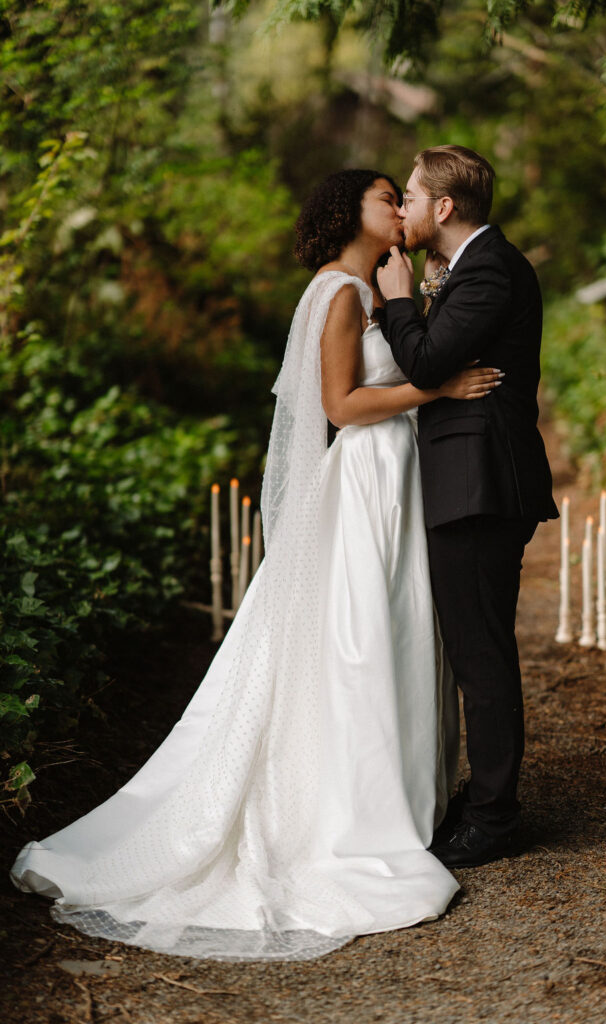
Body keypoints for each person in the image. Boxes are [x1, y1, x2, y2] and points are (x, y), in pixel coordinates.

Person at [11, 169, 503, 962]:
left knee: (396, 630)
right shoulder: (337, 294)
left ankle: (404, 798)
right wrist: (435, 389)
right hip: (367, 475)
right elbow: (340, 405)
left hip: (392, 474)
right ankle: (350, 812)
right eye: (387, 196)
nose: (398, 207)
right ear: (353, 213)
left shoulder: (365, 285)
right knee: (361, 639)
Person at [377, 145, 559, 870]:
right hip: (463, 480)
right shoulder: (469, 269)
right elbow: (439, 355)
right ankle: (479, 800)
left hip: (481, 482)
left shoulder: (491, 268)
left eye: (412, 199)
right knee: (468, 649)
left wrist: (397, 298)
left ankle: (493, 817)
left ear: (444, 207)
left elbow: (424, 364)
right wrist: (423, 295)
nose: (403, 213)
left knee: (480, 655)